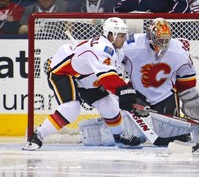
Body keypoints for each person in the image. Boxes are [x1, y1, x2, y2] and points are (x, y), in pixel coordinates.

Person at [22, 17, 142, 150]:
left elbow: (115, 77)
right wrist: (124, 92)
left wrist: (125, 93)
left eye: (124, 35)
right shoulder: (101, 48)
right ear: (110, 35)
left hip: (86, 76)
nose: (124, 39)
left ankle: (119, 135)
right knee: (71, 108)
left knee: (109, 105)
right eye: (121, 36)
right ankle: (37, 135)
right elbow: (108, 79)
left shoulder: (117, 51)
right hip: (63, 72)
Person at [121, 18, 199, 146]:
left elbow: (186, 78)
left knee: (168, 136)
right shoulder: (131, 46)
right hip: (136, 95)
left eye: (166, 39)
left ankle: (191, 134)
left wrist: (190, 98)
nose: (163, 43)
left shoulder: (178, 50)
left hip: (164, 96)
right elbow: (114, 65)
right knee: (133, 137)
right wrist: (125, 90)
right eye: (160, 39)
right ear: (150, 35)